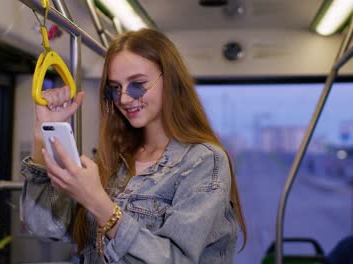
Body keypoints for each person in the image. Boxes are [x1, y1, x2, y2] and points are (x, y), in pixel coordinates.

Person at [20, 28, 247, 263]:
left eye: (137, 85)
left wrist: (99, 204)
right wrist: (43, 136)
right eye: (115, 88)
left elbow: (176, 259)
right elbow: (47, 228)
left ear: (169, 81)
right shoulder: (115, 160)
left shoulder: (204, 161)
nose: (125, 99)